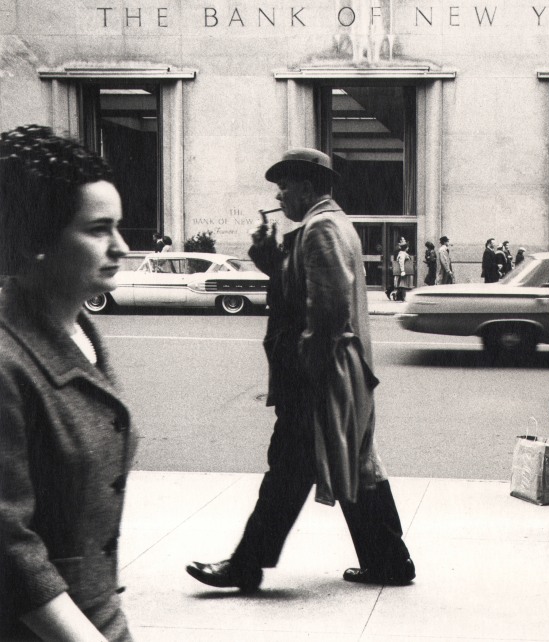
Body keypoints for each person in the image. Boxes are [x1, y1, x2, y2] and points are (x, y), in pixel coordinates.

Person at [186, 147, 414, 592]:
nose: (279, 194)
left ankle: (246, 565)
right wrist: (268, 257)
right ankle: (390, 561)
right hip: (338, 373)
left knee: (289, 468)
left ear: (307, 187)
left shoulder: (322, 228)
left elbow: (326, 309)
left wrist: (305, 375)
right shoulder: (327, 224)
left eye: (284, 186)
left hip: (320, 376)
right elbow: (302, 289)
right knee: (352, 464)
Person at [0, 125, 135, 640]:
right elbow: (10, 548)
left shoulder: (83, 331)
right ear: (38, 238)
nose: (121, 246)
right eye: (99, 229)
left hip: (98, 618)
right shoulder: (7, 361)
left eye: (119, 226)